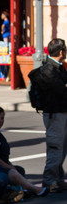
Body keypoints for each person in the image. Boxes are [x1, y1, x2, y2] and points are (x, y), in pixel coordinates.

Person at [0, 106, 49, 197]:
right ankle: (36, 189)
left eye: (2, 118)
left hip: (2, 164)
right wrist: (9, 167)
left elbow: (4, 156)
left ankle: (22, 189)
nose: (0, 121)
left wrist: (11, 166)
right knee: (13, 173)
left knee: (19, 169)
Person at [36, 38, 67, 193]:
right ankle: (49, 180)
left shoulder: (58, 68)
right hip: (55, 114)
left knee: (62, 146)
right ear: (61, 52)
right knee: (55, 146)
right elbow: (61, 91)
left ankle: (58, 177)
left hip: (62, 112)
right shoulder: (48, 69)